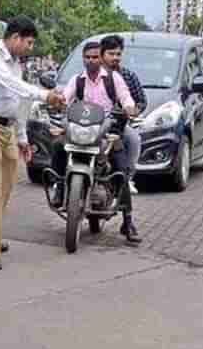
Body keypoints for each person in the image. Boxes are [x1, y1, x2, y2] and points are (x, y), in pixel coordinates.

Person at [0, 16, 66, 271]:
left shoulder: (16, 64)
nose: (30, 48)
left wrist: (22, 138)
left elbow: (18, 103)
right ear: (14, 38)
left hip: (6, 130)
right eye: (29, 42)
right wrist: (47, 95)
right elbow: (14, 86)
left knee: (7, 186)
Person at [50, 41, 142, 245]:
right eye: (87, 57)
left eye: (94, 57)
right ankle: (59, 188)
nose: (91, 60)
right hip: (81, 130)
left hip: (106, 132)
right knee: (57, 145)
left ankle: (128, 222)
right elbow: (65, 98)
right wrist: (57, 102)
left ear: (101, 58)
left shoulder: (113, 79)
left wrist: (129, 108)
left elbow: (126, 98)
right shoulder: (77, 80)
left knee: (121, 170)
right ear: (83, 59)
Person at [100, 34, 147, 195]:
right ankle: (62, 183)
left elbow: (140, 101)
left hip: (118, 127)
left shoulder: (128, 76)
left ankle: (127, 178)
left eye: (118, 54)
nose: (115, 57)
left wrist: (134, 111)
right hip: (91, 126)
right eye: (111, 54)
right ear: (102, 54)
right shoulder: (88, 76)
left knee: (133, 139)